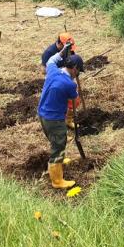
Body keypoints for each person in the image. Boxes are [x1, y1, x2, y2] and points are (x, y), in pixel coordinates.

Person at [38, 43, 84, 189]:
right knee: (58, 145)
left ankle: (59, 160)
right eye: (79, 72)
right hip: (54, 119)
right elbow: (73, 100)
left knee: (55, 140)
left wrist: (62, 51)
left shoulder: (52, 70)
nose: (78, 74)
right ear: (75, 69)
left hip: (42, 114)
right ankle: (57, 180)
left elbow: (51, 60)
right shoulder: (69, 85)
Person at [41, 33, 78, 129]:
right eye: (68, 48)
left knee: (73, 100)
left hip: (68, 77)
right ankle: (60, 120)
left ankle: (68, 119)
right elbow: (45, 70)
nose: (70, 50)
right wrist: (62, 71)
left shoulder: (68, 50)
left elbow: (73, 60)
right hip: (55, 80)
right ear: (61, 44)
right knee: (60, 101)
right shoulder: (49, 53)